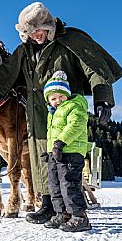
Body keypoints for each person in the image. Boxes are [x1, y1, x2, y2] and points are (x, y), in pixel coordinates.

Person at [0, 2, 122, 224]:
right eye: (28, 32)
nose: (34, 36)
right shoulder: (25, 50)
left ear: (48, 26)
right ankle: (49, 205)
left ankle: (72, 211)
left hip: (65, 111)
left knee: (64, 162)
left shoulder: (70, 41)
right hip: (37, 113)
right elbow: (6, 73)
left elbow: (94, 68)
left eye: (37, 30)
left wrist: (103, 98)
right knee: (41, 158)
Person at [41, 71, 91, 232]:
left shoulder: (74, 106)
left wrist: (60, 143)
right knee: (55, 185)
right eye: (53, 98)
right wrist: (50, 152)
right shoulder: (52, 113)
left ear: (67, 95)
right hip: (57, 153)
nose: (57, 101)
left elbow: (75, 125)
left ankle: (80, 217)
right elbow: (51, 134)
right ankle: (63, 214)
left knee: (69, 184)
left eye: (61, 97)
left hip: (71, 152)